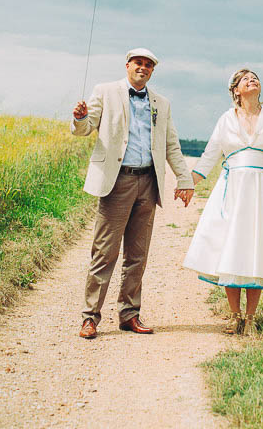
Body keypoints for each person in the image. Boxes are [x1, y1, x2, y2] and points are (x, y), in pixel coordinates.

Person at [72, 48, 194, 339]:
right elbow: (84, 128)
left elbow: (171, 145)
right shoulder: (105, 91)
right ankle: (90, 317)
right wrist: (80, 117)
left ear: (152, 71)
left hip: (148, 182)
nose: (143, 68)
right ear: (127, 65)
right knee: (105, 252)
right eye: (138, 63)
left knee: (137, 255)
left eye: (148, 65)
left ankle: (130, 314)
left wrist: (184, 178)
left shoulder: (161, 103)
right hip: (117, 181)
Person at [182, 68, 263, 336]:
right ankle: (234, 316)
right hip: (233, 190)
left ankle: (251, 319)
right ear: (236, 90)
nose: (252, 80)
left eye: (255, 78)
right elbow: (209, 156)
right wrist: (187, 183)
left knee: (256, 251)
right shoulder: (226, 119)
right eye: (245, 79)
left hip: (262, 190)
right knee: (231, 249)